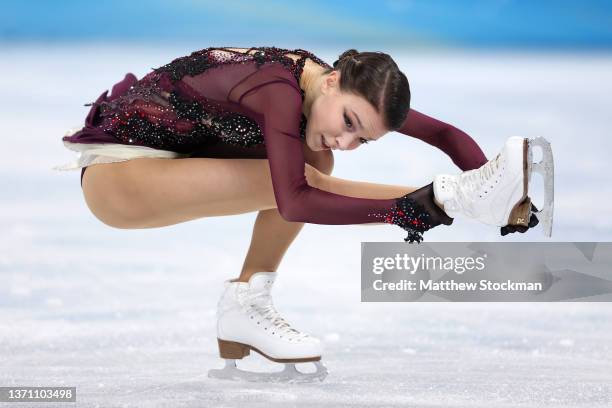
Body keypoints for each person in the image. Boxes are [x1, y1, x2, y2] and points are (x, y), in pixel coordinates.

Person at [53, 46, 539, 382]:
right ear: (331, 82)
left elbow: (445, 135)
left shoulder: (348, 87)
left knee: (314, 156)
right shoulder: (279, 89)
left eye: (363, 139)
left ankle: (245, 301)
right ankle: (456, 198)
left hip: (173, 159)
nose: (349, 142)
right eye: (349, 123)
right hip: (119, 177)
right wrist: (424, 206)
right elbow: (295, 200)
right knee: (303, 175)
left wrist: (493, 188)